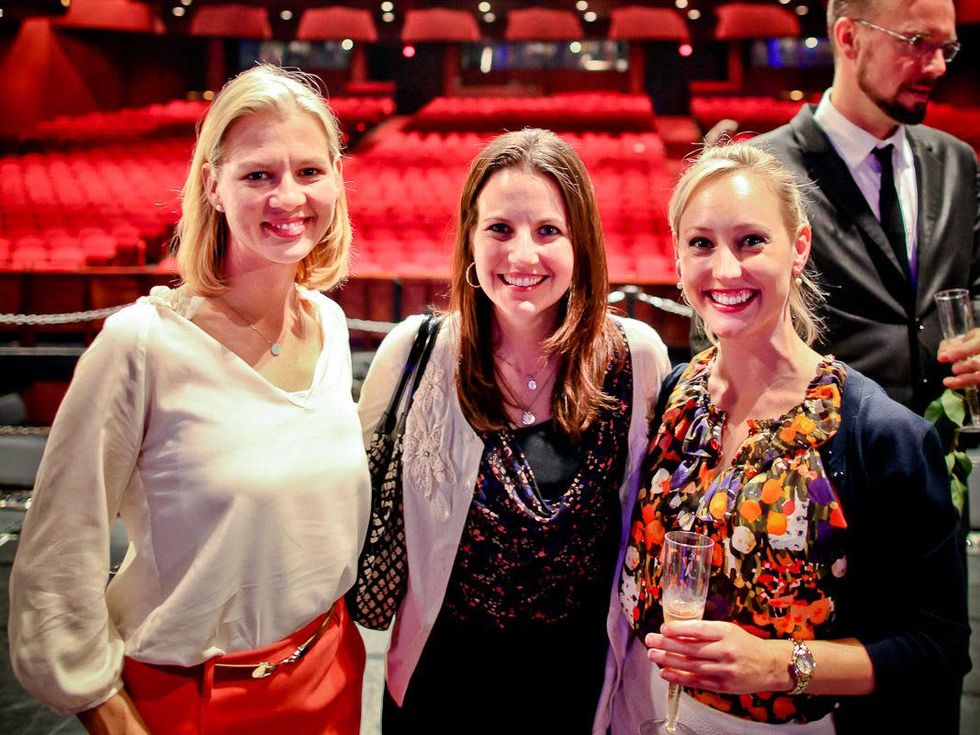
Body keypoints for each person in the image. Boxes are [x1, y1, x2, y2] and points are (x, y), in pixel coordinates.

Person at [8, 65, 369, 735]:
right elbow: (58, 557)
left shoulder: (330, 325)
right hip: (195, 701)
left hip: (332, 674)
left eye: (310, 172)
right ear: (213, 184)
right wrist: (108, 710)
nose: (288, 196)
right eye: (259, 174)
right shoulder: (140, 346)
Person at [601, 143, 970, 735]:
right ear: (676, 260)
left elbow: (937, 644)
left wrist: (776, 664)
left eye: (751, 242)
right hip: (645, 714)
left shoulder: (881, 435)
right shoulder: (673, 397)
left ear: (799, 248)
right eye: (701, 244)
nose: (725, 270)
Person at [357, 128, 671, 733]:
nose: (522, 256)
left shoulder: (638, 360)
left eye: (548, 231)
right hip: (439, 688)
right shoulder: (414, 357)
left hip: (577, 692)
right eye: (500, 229)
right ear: (471, 240)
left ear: (581, 243)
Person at [752, 0, 980, 415]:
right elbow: (726, 343)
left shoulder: (957, 162)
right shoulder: (762, 172)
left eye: (945, 48)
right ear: (849, 38)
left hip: (945, 456)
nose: (938, 67)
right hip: (822, 460)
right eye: (917, 42)